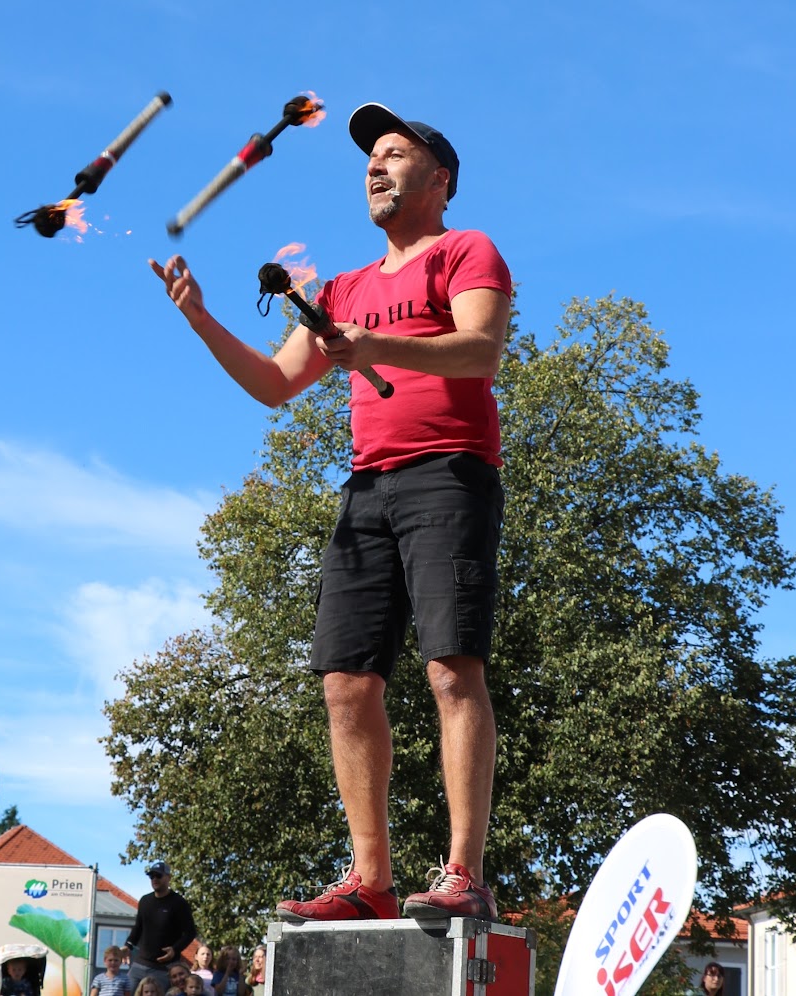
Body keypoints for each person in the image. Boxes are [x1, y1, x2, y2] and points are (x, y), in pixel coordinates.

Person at [150, 102, 511, 925]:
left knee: (452, 670)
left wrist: (375, 347)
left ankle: (463, 873)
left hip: (449, 476)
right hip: (366, 489)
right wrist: (201, 317)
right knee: (345, 687)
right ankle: (370, 880)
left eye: (394, 152)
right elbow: (276, 385)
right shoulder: (342, 289)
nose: (375, 166)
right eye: (369, 158)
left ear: (439, 178)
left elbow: (482, 350)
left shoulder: (465, 250)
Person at [122, 861, 197, 992]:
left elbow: (190, 932)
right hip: (140, 964)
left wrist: (175, 949)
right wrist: (128, 945)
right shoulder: (145, 901)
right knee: (126, 992)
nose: (154, 879)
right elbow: (138, 927)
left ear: (169, 877)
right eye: (151, 876)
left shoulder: (179, 902)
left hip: (163, 968)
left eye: (158, 876)